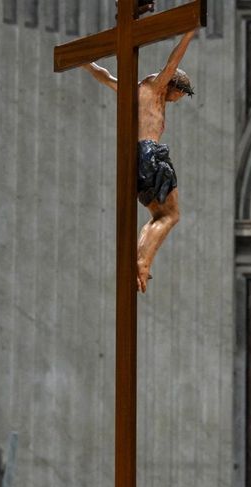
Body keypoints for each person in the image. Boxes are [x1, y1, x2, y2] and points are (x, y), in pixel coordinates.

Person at [82, 30, 196, 293]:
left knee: (158, 214)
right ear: (174, 86)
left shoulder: (133, 90)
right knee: (172, 214)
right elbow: (172, 62)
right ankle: (142, 261)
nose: (177, 100)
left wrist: (85, 62)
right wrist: (189, 33)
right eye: (180, 94)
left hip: (132, 157)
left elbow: (104, 76)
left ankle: (137, 260)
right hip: (150, 154)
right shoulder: (157, 86)